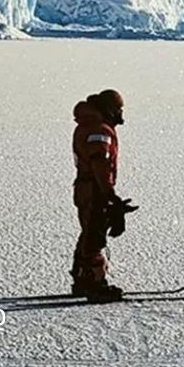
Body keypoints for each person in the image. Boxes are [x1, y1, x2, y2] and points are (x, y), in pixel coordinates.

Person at [70, 89, 128, 302]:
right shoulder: (99, 129)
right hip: (94, 189)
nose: (120, 113)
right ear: (109, 109)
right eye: (118, 109)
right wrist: (108, 192)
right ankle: (94, 283)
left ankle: (81, 278)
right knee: (94, 236)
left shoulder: (88, 125)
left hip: (85, 188)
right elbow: (99, 161)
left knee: (88, 233)